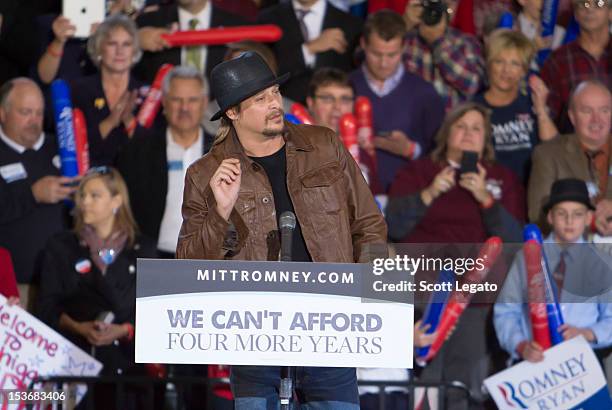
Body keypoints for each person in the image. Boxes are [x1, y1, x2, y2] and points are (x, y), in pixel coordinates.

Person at [176, 51, 387, 409]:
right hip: (254, 335)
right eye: (260, 99)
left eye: (274, 93)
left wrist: (366, 300)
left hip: (330, 325)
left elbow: (368, 225)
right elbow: (188, 266)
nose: (275, 104)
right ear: (233, 112)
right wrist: (220, 212)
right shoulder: (204, 174)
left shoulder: (323, 145)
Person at [385, 102, 524, 407]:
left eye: (477, 128)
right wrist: (429, 193)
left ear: (486, 137)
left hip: (475, 297)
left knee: (464, 384)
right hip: (421, 293)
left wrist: (486, 199)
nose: (468, 134)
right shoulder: (419, 172)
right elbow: (391, 226)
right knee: (425, 383)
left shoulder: (501, 177)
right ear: (447, 133)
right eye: (461, 127)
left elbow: (515, 240)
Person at [36, 166, 157, 408]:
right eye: (81, 196)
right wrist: (79, 327)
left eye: (94, 196)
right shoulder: (60, 247)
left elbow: (157, 316)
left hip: (127, 371)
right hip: (72, 367)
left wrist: (124, 330)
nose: (84, 203)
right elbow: (46, 307)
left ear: (117, 200)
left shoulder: (145, 249)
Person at [494, 178, 612, 364]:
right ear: (550, 217)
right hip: (534, 361)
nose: (569, 221)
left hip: (584, 361)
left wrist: (586, 333)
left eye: (578, 214)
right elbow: (506, 312)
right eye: (561, 213)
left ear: (589, 218)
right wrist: (521, 345)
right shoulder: (525, 258)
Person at [118, 65, 213, 258]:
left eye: (192, 100)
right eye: (176, 100)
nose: (184, 108)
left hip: (210, 261)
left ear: (204, 103)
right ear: (164, 103)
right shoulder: (138, 150)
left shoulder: (222, 151)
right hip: (152, 259)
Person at [0, 77, 76, 311]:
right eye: (25, 112)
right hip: (12, 292)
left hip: (62, 287)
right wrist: (32, 195)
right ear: (2, 113)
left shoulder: (63, 148)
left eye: (39, 113)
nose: (34, 121)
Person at [349, 10, 444, 193]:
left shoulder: (424, 92)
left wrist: (411, 150)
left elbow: (441, 153)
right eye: (376, 54)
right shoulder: (346, 88)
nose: (384, 63)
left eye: (392, 55)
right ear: (363, 45)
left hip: (409, 198)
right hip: (356, 198)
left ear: (403, 48)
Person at [472, 29, 558, 185]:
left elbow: (554, 150)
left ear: (524, 70)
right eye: (499, 61)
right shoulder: (473, 109)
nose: (506, 70)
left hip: (531, 193)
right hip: (489, 194)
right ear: (489, 65)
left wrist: (541, 111)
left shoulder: (532, 104)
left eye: (515, 64)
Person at [69, 14, 155, 167]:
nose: (120, 51)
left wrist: (128, 120)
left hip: (135, 179)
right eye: (112, 44)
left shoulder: (148, 94)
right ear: (99, 49)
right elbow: (74, 146)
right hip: (91, 177)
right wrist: (111, 121)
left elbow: (151, 150)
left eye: (126, 44)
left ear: (134, 51)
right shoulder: (79, 91)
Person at [528, 80, 612, 233]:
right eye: (587, 111)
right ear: (572, 117)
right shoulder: (548, 154)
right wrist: (590, 221)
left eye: (604, 110)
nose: (596, 119)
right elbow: (538, 216)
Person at [257, 0, 363, 103]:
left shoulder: (351, 24)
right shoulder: (266, 19)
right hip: (284, 111)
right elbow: (264, 73)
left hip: (332, 115)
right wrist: (308, 49)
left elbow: (353, 77)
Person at [135, 0, 247, 87]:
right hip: (160, 113)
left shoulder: (238, 26)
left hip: (221, 113)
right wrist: (134, 44)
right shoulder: (146, 24)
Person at [540, 0, 611, 134]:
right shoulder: (558, 61)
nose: (589, 10)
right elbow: (548, 117)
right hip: (573, 150)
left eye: (599, 3)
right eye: (583, 4)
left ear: (611, 12)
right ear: (576, 15)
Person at [306, 67, 381, 194]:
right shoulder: (293, 149)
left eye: (345, 99)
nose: (337, 107)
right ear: (310, 103)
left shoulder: (363, 155)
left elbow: (376, 202)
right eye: (327, 98)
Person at [402, 0, 486, 109]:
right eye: (433, 5)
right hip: (413, 120)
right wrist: (405, 23)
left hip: (452, 122)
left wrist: (438, 43)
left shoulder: (466, 43)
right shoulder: (406, 40)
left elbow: (472, 86)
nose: (437, 11)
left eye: (446, 5)